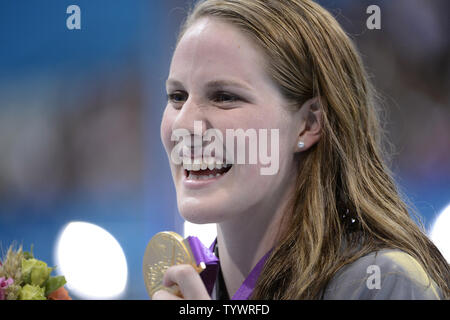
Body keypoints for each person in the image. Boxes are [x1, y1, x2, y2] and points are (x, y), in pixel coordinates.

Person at [154, 0, 449, 300]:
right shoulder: (195, 289)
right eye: (177, 96)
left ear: (308, 124)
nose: (184, 124)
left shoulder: (383, 284)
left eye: (224, 97)